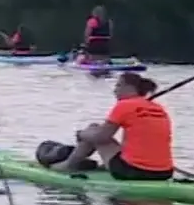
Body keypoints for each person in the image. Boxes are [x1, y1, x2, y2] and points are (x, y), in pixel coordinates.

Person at [42, 73, 174, 180]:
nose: (114, 90)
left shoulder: (124, 105)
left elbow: (101, 138)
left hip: (134, 172)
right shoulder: (158, 108)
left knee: (94, 129)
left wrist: (81, 134)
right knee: (96, 131)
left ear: (129, 87)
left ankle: (68, 165)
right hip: (165, 172)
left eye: (118, 85)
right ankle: (100, 165)